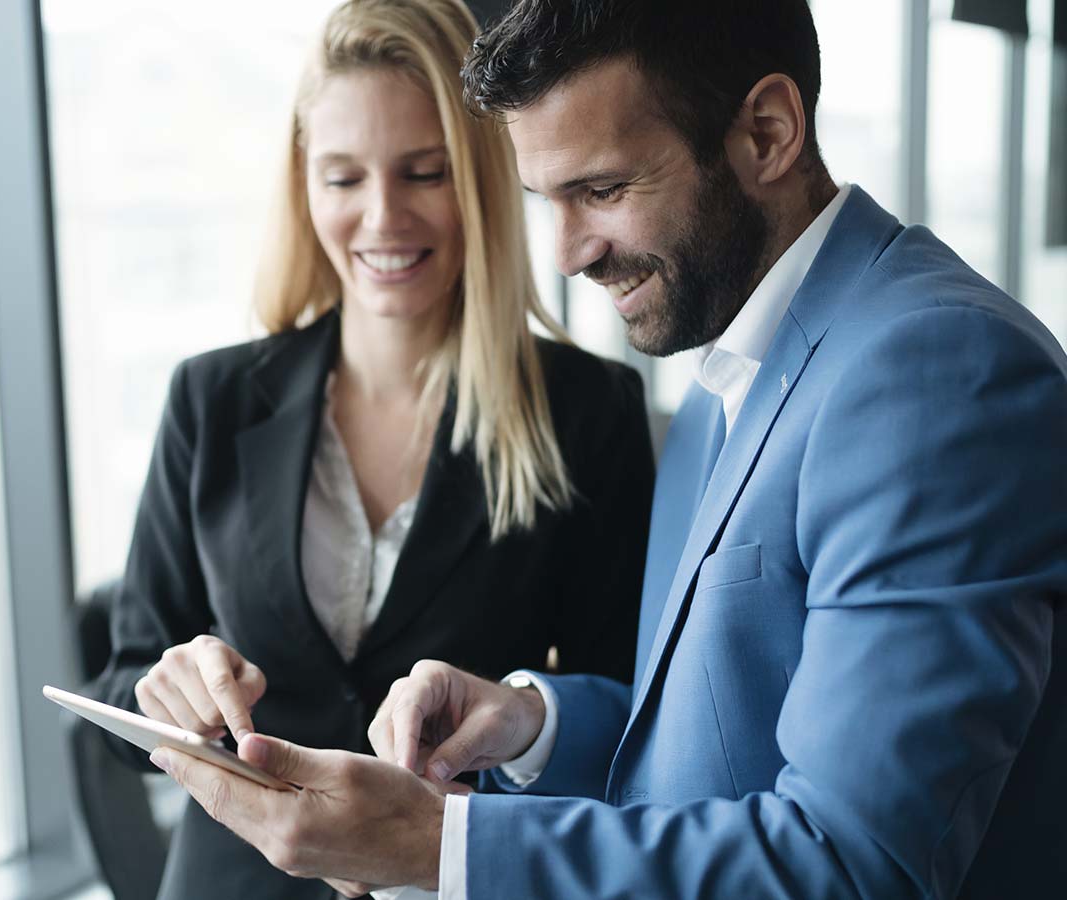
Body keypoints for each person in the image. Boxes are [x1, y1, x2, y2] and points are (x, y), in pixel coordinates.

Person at [146, 1, 1067, 897]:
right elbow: (709, 741)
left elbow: (852, 862)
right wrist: (534, 722)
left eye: (604, 189)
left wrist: (437, 843)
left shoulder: (936, 370)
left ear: (768, 132)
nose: (569, 251)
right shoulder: (728, 377)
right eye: (547, 199)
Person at [89, 1, 656, 897]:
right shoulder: (211, 399)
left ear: (477, 178)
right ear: (304, 185)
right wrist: (167, 697)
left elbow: (625, 724)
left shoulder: (588, 412)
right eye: (344, 178)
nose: (383, 217)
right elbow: (115, 700)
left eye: (423, 172)